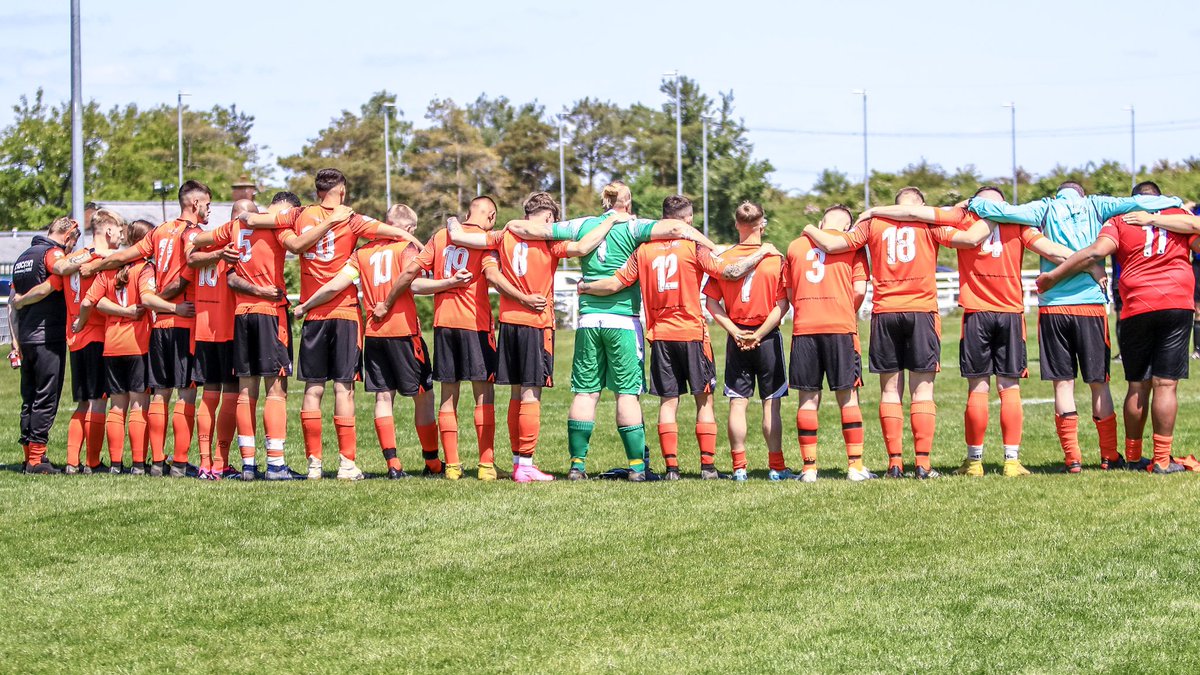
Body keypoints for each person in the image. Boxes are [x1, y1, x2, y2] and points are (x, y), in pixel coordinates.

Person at [861, 186, 1076, 477]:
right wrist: (1087, 260)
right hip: (1008, 313)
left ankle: (971, 461)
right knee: (1009, 387)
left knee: (975, 388)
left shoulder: (960, 220)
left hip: (972, 312)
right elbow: (1050, 250)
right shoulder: (1017, 222)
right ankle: (1010, 461)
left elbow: (965, 236)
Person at [968, 181, 1182, 471]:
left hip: (1053, 307)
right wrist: (1174, 200)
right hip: (1090, 305)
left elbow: (1006, 211)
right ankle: (1109, 455)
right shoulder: (1097, 205)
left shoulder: (1044, 208)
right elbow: (1139, 202)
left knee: (1063, 384)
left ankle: (1073, 459)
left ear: (1057, 194)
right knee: (1099, 384)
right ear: (1082, 193)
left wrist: (975, 203)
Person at [514, 181, 719, 481]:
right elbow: (676, 228)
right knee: (627, 394)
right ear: (628, 203)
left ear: (605, 202)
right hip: (622, 320)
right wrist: (712, 246)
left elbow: (537, 230)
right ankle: (637, 467)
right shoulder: (634, 226)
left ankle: (577, 465)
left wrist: (511, 225)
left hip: (588, 321)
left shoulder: (583, 224)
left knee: (586, 393)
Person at [579, 195, 773, 480]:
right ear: (687, 220)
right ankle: (707, 468)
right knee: (703, 400)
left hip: (661, 336)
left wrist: (586, 286)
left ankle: (672, 469)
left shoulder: (643, 250)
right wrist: (762, 252)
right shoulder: (693, 247)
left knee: (668, 402)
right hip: (692, 333)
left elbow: (615, 283)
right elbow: (731, 272)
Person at [803, 187, 992, 478]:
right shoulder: (929, 223)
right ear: (921, 205)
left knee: (890, 390)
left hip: (885, 312)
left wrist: (809, 228)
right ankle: (923, 464)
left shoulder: (873, 224)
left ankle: (894, 463)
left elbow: (835, 244)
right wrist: (992, 215)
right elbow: (968, 239)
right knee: (922, 390)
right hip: (921, 312)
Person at [251, 169, 419, 480]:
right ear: (341, 191)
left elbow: (253, 219)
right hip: (344, 312)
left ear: (317, 191)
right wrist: (419, 245)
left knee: (313, 388)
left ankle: (314, 465)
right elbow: (396, 233)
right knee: (344, 388)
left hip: (314, 315)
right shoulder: (352, 219)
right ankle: (346, 465)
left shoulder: (298, 214)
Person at [444, 192, 621, 481]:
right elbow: (584, 246)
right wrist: (610, 220)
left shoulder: (504, 235)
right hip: (536, 322)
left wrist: (453, 222)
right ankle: (525, 465)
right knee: (531, 393)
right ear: (549, 217)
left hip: (508, 322)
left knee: (516, 393)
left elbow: (464, 241)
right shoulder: (550, 240)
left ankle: (518, 462)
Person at [294, 204, 464, 479]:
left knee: (384, 397)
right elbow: (414, 284)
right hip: (404, 331)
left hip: (373, 333)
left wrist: (306, 305)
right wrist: (450, 283)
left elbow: (336, 284)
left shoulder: (361, 253)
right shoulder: (405, 248)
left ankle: (393, 464)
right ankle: (432, 461)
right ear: (408, 228)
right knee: (424, 396)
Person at [1039, 182, 1197, 473]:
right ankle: (1162, 460)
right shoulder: (1177, 214)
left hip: (1136, 305)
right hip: (1176, 302)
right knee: (1166, 384)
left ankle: (1134, 457)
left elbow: (1094, 253)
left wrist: (1053, 276)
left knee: (1137, 384)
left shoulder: (1120, 219)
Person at [192, 191, 340, 480]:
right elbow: (297, 245)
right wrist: (330, 222)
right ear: (286, 208)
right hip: (270, 312)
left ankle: (248, 465)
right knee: (276, 388)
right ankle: (275, 464)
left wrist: (218, 252)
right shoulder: (277, 226)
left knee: (246, 391)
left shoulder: (234, 227)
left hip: (241, 314)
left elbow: (197, 240)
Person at [82, 181, 213, 477]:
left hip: (157, 328)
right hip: (182, 321)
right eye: (207, 204)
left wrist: (95, 267)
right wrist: (163, 301)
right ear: (195, 203)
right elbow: (184, 278)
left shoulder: (159, 231)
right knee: (186, 394)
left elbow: (123, 257)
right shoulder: (192, 233)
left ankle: (154, 462)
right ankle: (179, 463)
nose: (209, 209)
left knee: (159, 395)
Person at [373, 197, 505, 481]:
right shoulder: (485, 241)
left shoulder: (441, 236)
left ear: (468, 213)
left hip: (444, 324)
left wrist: (389, 300)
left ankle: (453, 467)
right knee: (484, 394)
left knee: (448, 395)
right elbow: (493, 276)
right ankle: (486, 466)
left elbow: (411, 275)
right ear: (491, 217)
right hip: (475, 323)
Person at [782, 205, 872, 482]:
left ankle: (809, 468)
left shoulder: (795, 246)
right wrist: (843, 309)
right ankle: (855, 466)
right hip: (840, 327)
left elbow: (790, 292)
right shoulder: (851, 244)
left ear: (822, 223)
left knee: (808, 399)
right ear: (846, 227)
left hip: (805, 328)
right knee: (848, 397)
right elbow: (859, 289)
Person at [703, 201, 789, 481]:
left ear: (736, 224)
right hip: (767, 336)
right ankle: (776, 467)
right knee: (771, 402)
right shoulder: (774, 258)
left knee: (738, 403)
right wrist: (760, 333)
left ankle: (739, 468)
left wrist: (735, 331)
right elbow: (782, 304)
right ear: (762, 224)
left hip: (737, 336)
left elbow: (711, 302)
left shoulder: (725, 259)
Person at [74, 219, 154, 474]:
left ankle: (116, 464)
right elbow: (148, 299)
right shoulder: (143, 268)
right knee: (139, 404)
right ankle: (139, 464)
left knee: (117, 406)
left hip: (112, 344)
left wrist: (80, 323)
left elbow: (90, 302)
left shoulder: (108, 269)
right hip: (137, 343)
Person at [182, 199, 254, 479]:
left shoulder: (207, 242)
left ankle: (204, 464)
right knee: (231, 394)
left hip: (204, 328)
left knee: (209, 394)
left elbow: (190, 259)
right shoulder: (237, 243)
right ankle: (219, 462)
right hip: (228, 327)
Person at [10, 216, 79, 473]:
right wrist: (88, 256)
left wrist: (15, 342)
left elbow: (11, 305)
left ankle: (29, 456)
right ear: (68, 236)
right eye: (72, 244)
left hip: (26, 337)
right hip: (47, 336)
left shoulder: (23, 258)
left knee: (29, 397)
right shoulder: (52, 253)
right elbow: (59, 271)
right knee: (45, 397)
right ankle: (37, 459)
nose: (71, 250)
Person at [58, 209, 123, 472]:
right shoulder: (103, 261)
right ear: (108, 230)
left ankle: (72, 461)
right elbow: (95, 300)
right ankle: (92, 462)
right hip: (95, 333)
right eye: (119, 231)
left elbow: (62, 268)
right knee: (98, 399)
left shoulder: (75, 258)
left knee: (83, 401)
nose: (121, 237)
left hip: (74, 336)